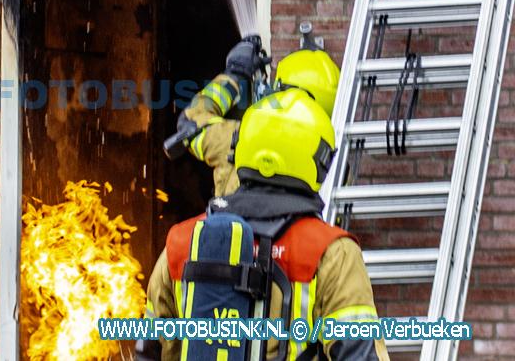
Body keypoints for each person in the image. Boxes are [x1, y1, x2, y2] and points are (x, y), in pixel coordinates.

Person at [139, 88, 389, 361]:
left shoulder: (181, 242)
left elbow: (148, 351)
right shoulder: (332, 252)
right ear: (318, 160)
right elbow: (360, 354)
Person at [172, 37, 341, 197]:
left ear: (278, 90)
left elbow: (191, 123)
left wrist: (235, 74)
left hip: (233, 217)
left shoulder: (244, 136)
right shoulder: (329, 162)